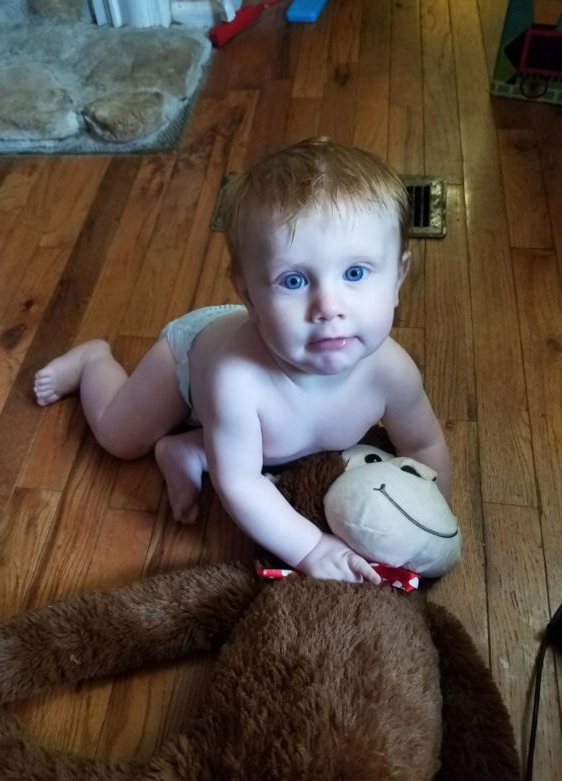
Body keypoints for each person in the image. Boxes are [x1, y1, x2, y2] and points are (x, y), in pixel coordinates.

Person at [34, 137, 451, 584]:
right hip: (190, 358)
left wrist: (428, 518)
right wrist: (311, 547)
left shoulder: (392, 372)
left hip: (244, 411)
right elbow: (240, 482)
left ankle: (187, 449)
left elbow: (423, 446)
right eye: (294, 280)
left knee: (252, 443)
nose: (328, 307)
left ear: (398, 279)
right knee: (120, 437)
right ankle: (92, 361)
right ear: (248, 294)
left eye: (355, 273)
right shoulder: (236, 380)